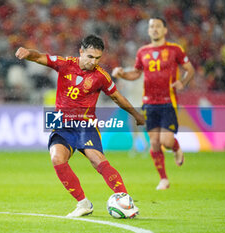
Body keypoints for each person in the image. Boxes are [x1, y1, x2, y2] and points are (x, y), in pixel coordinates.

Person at [15, 35, 145, 217]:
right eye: (90, 56)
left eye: (98, 58)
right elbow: (39, 57)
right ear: (81, 51)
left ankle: (124, 201)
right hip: (60, 122)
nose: (93, 62)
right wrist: (28, 53)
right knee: (57, 158)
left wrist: (136, 114)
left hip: (85, 124)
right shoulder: (64, 63)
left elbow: (117, 97)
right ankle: (83, 204)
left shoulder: (101, 76)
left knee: (96, 159)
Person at [112, 17, 195, 190]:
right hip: (149, 102)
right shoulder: (142, 52)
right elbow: (136, 73)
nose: (155, 29)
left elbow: (190, 69)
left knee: (166, 141)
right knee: (155, 142)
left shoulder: (175, 50)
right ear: (148, 31)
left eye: (158, 26)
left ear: (165, 30)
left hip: (168, 101)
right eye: (152, 27)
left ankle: (176, 148)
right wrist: (122, 74)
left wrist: (183, 82)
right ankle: (163, 179)